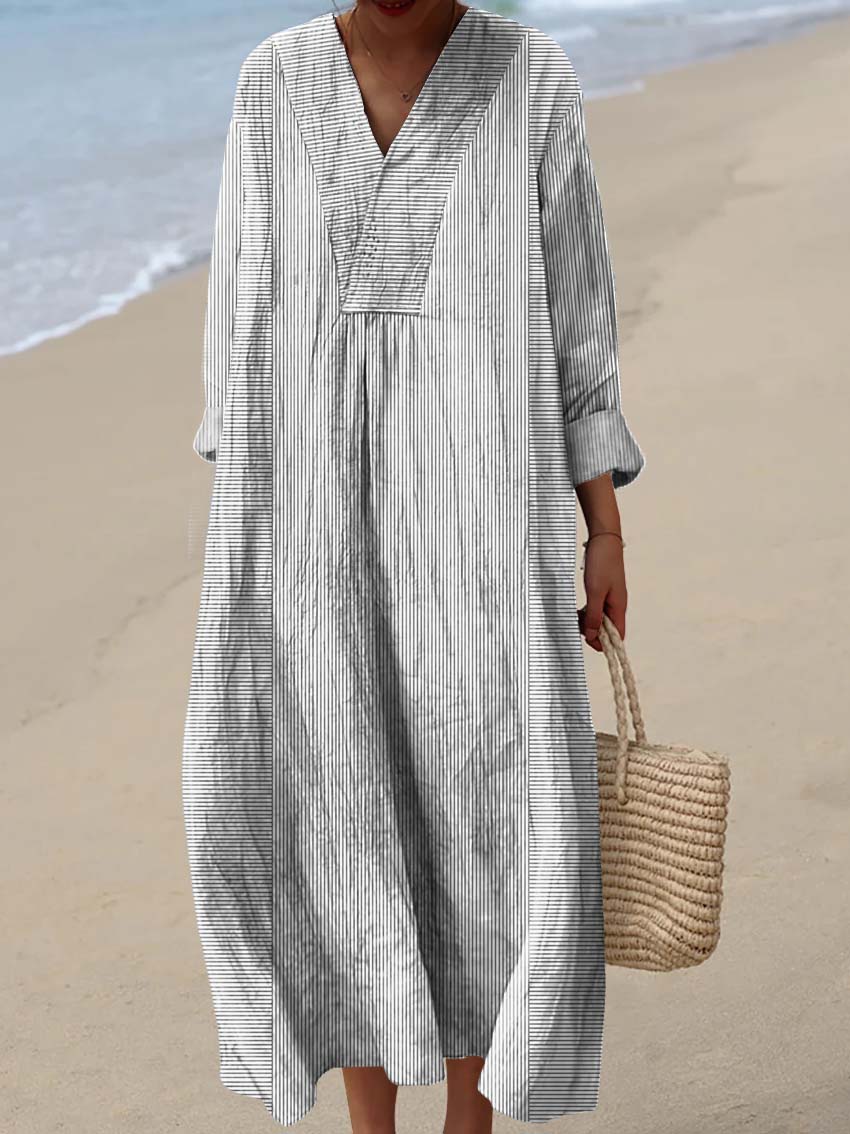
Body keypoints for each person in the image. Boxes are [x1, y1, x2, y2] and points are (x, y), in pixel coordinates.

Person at [182, 2, 646, 1133]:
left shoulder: (531, 75)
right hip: (313, 518)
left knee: (485, 804)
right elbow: (239, 324)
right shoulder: (274, 80)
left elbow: (578, 321)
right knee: (332, 796)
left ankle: (470, 1127)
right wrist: (253, 535)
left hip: (488, 522)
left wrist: (604, 528)